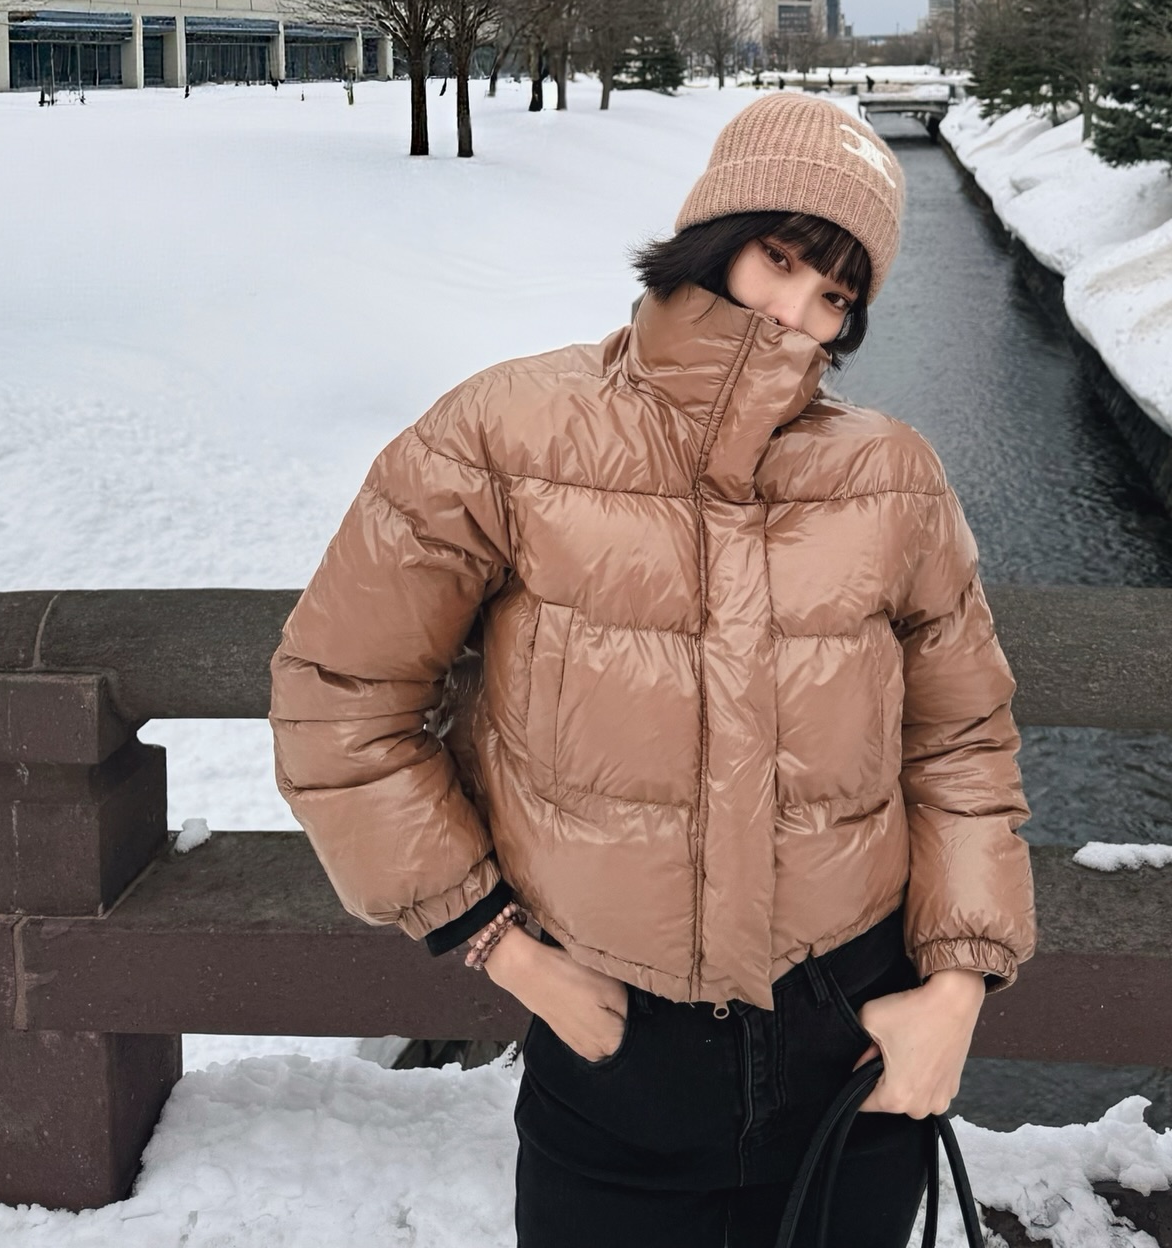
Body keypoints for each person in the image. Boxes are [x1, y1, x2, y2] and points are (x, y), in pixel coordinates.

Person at [270, 93, 1035, 1248]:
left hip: (853, 1050)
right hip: (614, 1054)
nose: (797, 313)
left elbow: (961, 741)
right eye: (781, 260)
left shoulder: (892, 476)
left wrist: (957, 989)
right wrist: (502, 947)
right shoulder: (508, 433)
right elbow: (337, 699)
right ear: (710, 238)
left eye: (836, 295)